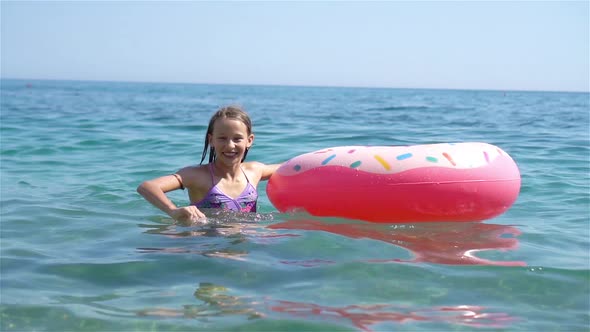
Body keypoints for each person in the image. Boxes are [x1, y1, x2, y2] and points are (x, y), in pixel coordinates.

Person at [137, 105, 281, 224]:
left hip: (246, 243)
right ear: (211, 140)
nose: (230, 145)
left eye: (237, 139)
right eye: (222, 138)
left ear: (249, 140)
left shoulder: (254, 171)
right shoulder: (198, 175)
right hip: (207, 244)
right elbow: (147, 187)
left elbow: (292, 167)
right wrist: (173, 211)